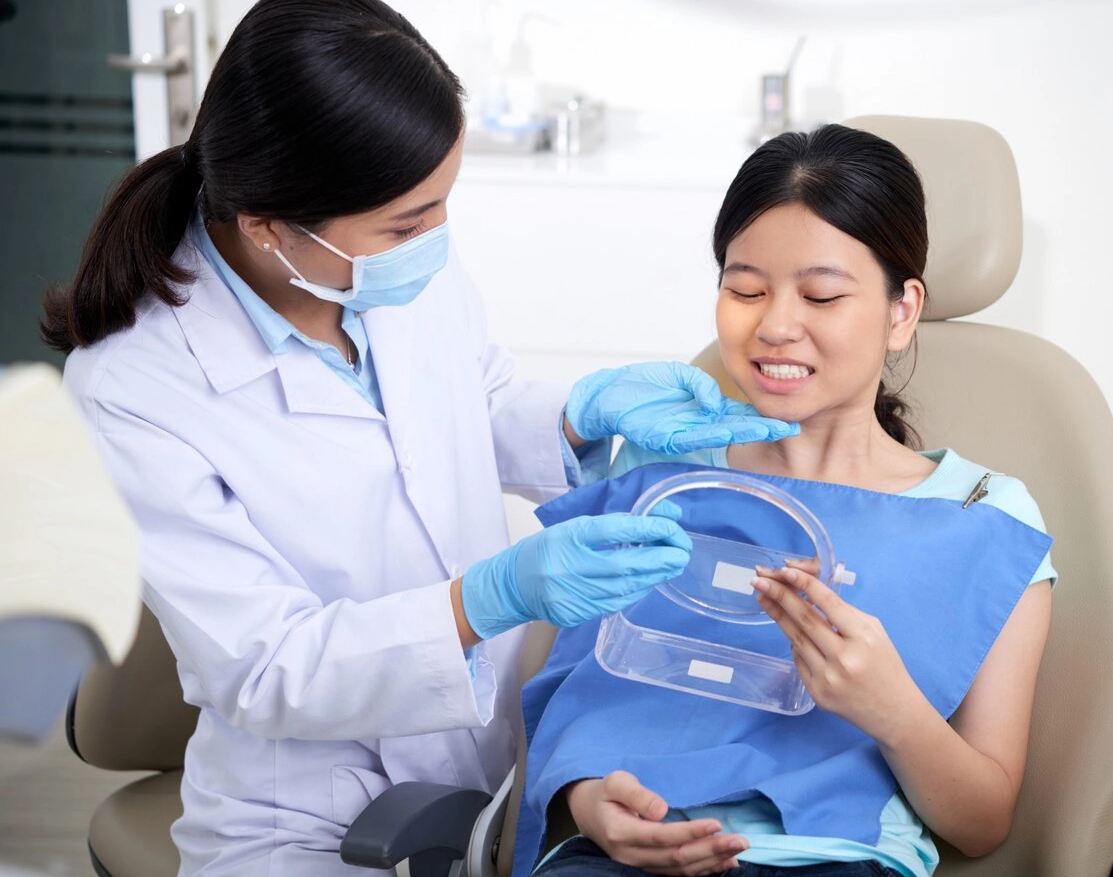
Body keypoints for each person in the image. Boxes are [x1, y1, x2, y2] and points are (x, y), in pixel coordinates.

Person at [39, 1, 794, 874]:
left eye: (440, 206)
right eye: (406, 224)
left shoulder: (378, 260)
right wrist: (485, 599)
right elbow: (265, 667)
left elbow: (471, 396)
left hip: (496, 749)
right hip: (305, 816)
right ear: (268, 226)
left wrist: (578, 414)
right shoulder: (134, 388)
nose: (433, 240)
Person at [513, 124, 1058, 877]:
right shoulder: (658, 472)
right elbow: (575, 689)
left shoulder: (983, 520)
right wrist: (586, 804)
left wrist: (895, 711)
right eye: (745, 289)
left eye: (822, 294)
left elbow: (984, 823)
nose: (773, 325)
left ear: (901, 312)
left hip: (833, 859)